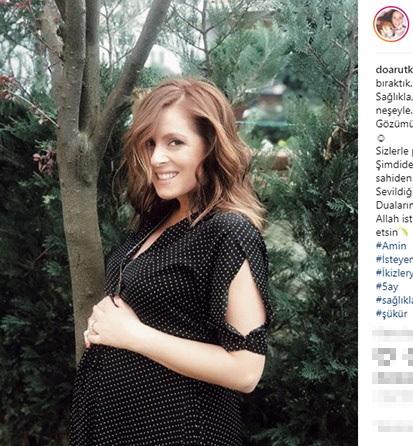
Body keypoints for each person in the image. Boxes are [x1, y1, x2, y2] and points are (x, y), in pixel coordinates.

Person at [70, 78, 273, 446]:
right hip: (120, 427)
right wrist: (106, 326)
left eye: (174, 142)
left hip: (182, 430)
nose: (156, 159)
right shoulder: (160, 219)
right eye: (150, 143)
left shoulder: (228, 231)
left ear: (211, 146)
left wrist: (132, 336)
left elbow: (246, 369)